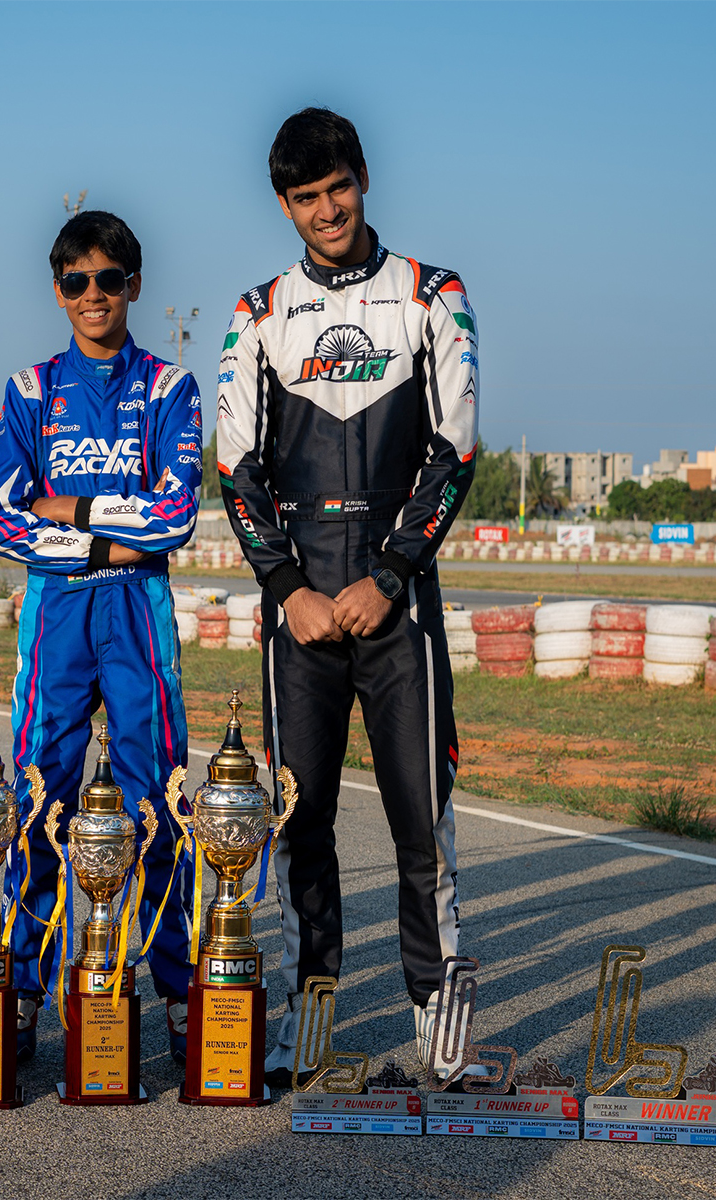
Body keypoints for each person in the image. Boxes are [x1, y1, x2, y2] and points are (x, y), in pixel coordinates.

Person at [215, 108, 478, 1084]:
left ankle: (438, 1031)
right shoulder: (257, 312)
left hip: (396, 605)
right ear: (283, 204)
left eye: (338, 189)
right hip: (303, 616)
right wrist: (285, 585)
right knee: (300, 824)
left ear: (362, 180)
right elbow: (234, 464)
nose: (326, 211)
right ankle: (309, 1022)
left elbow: (455, 452)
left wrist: (390, 572)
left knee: (424, 820)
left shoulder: (432, 293)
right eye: (305, 197)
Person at [0, 210, 202, 1065]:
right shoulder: (30, 389)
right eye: (76, 281)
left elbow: (175, 516)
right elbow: (2, 522)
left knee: (162, 804)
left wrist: (71, 509)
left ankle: (182, 992)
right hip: (57, 615)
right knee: (41, 800)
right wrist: (119, 527)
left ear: (134, 286)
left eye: (109, 279)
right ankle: (27, 992)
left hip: (138, 610)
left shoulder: (169, 389)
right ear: (57, 290)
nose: (93, 295)